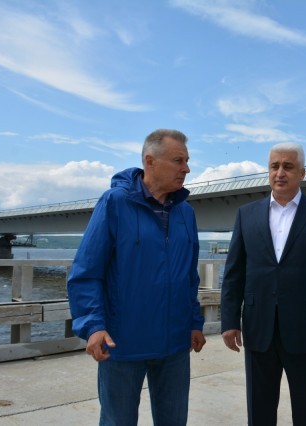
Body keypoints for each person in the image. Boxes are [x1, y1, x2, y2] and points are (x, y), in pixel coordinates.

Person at [67, 129, 206, 426]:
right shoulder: (115, 203)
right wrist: (93, 326)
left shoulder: (186, 213)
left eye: (187, 161)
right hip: (123, 343)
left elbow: (188, 277)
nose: (186, 168)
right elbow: (87, 272)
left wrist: (195, 322)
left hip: (175, 343)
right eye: (178, 161)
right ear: (150, 161)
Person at [220, 142, 306, 426]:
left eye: (288, 166)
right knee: (260, 411)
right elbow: (234, 273)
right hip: (258, 329)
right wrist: (229, 320)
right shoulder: (246, 215)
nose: (280, 173)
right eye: (274, 166)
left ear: (302, 173)